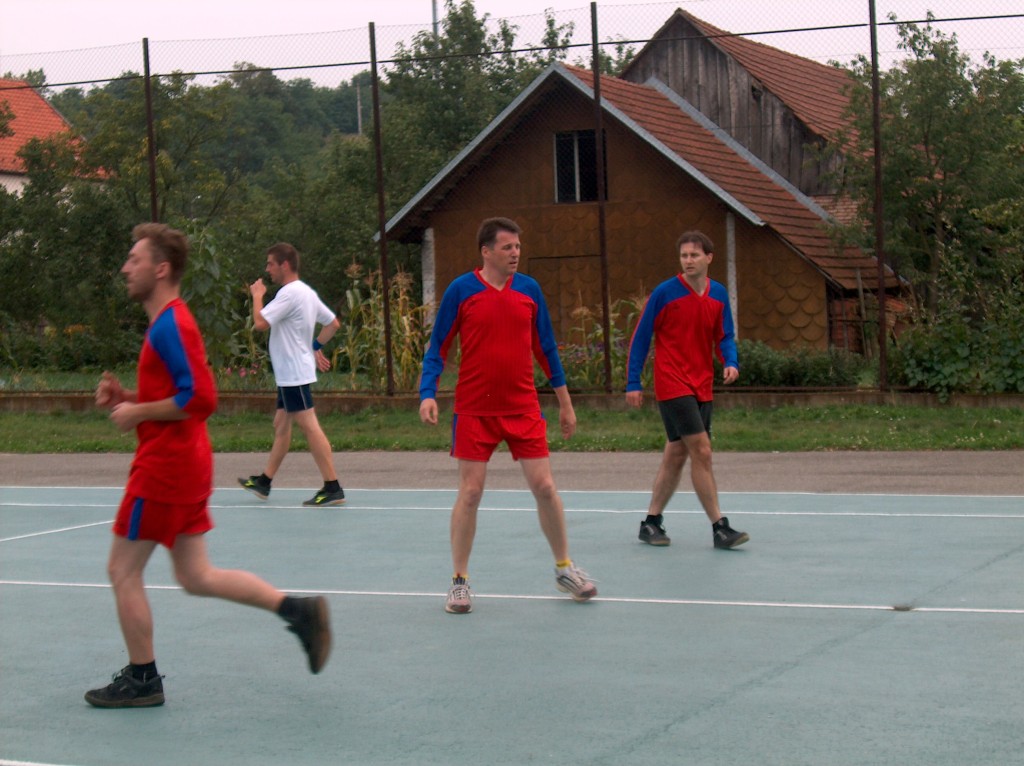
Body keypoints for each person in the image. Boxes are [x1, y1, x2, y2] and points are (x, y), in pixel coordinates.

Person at [86, 223, 331, 709]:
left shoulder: (171, 325)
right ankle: (297, 611)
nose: (125, 267)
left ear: (161, 269)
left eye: (135, 259)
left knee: (122, 569)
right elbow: (177, 396)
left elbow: (201, 398)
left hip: (165, 468)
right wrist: (129, 399)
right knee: (196, 575)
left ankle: (142, 678)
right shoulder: (168, 323)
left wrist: (137, 411)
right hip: (185, 464)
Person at [419, 216, 597, 614]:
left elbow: (546, 348)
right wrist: (427, 393)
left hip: (523, 408)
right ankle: (459, 582)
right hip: (474, 410)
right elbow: (438, 348)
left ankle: (565, 569)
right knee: (471, 492)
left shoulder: (529, 290)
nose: (515, 253)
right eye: (507, 247)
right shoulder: (461, 290)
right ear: (486, 252)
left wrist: (565, 403)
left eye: (517, 247)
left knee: (545, 487)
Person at [625, 230, 749, 549]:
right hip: (672, 382)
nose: (688, 260)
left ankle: (651, 522)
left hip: (701, 384)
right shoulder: (665, 293)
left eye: (694, 255)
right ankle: (720, 527)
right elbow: (641, 337)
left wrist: (730, 360)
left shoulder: (718, 294)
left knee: (677, 452)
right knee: (702, 450)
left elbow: (724, 335)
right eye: (684, 255)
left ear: (709, 258)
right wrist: (633, 382)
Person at [238, 242, 345, 507]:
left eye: (270, 264)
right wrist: (314, 347)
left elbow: (260, 323)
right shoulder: (306, 292)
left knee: (309, 426)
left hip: (294, 374)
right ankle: (264, 482)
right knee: (281, 424)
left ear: (284, 265)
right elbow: (332, 324)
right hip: (290, 373)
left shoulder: (289, 294)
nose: (267, 269)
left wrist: (257, 295)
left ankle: (332, 487)